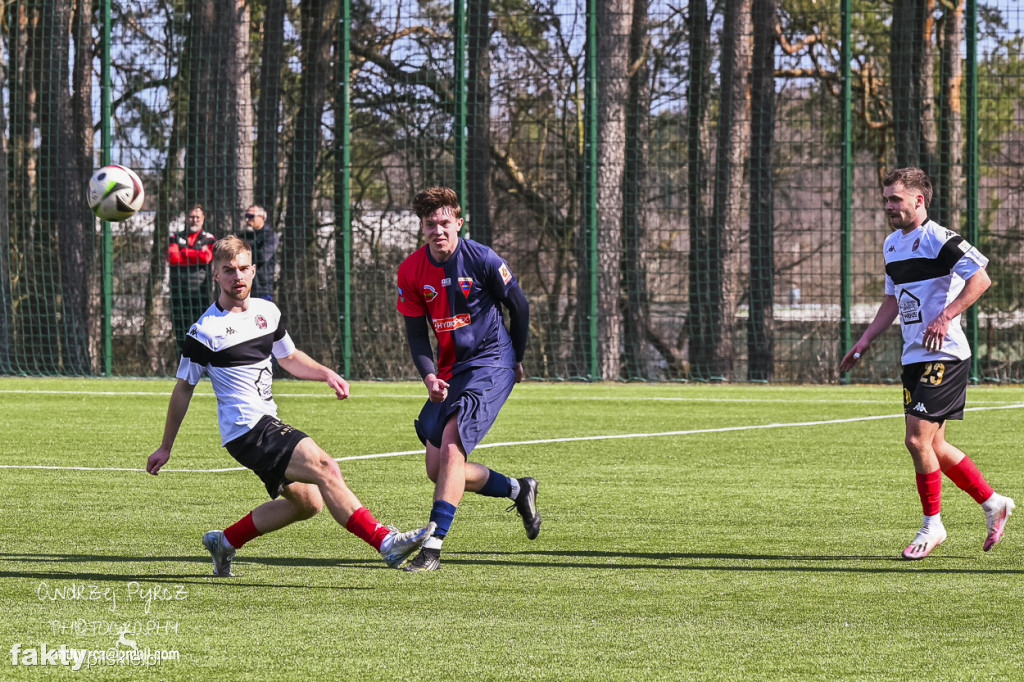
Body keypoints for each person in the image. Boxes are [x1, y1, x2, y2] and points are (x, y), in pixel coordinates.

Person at [148, 235, 434, 575]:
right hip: (247, 430)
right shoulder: (205, 332)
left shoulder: (267, 312)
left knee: (308, 503)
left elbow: (289, 357)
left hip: (265, 423)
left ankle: (224, 541)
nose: (237, 276)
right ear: (216, 274)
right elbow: (184, 388)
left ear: (253, 270)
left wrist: (326, 373)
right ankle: (385, 542)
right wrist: (166, 446)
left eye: (243, 269)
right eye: (228, 270)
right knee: (326, 466)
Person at [840, 167, 1014, 560]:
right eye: (886, 199)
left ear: (919, 200)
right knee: (935, 444)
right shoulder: (891, 245)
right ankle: (993, 503)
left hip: (945, 353)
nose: (888, 206)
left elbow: (981, 279)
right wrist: (864, 341)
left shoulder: (940, 238)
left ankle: (932, 524)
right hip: (914, 355)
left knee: (916, 439)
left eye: (895, 199)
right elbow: (892, 300)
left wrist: (945, 315)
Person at [396, 187, 539, 572]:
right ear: (422, 228)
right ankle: (518, 488)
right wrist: (429, 375)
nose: (438, 230)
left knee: (452, 447)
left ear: (458, 223)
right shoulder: (410, 271)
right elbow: (415, 334)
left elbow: (519, 306)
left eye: (445, 222)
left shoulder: (483, 258)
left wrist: (517, 358)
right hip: (449, 370)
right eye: (430, 224)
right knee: (438, 469)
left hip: (492, 361)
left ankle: (432, 549)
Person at [168, 205, 216, 353]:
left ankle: (201, 363)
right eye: (191, 217)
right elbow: (173, 258)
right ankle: (182, 362)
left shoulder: (209, 238)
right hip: (179, 293)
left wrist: (184, 252)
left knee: (201, 331)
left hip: (200, 293)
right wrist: (196, 254)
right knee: (180, 332)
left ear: (203, 219)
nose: (194, 220)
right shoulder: (175, 237)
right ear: (186, 218)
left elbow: (207, 257)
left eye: (197, 217)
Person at [240, 204, 279, 301]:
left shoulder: (270, 236)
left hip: (262, 289)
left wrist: (243, 254)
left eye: (250, 216)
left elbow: (262, 257)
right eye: (246, 216)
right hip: (243, 287)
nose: (247, 220)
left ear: (262, 217)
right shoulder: (242, 236)